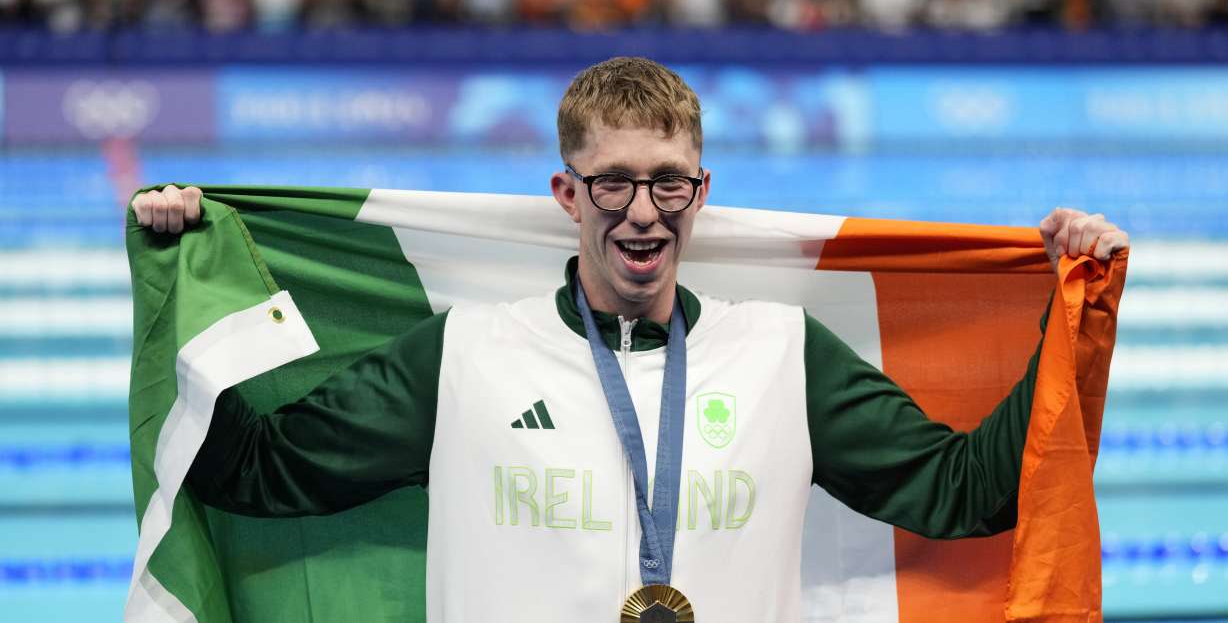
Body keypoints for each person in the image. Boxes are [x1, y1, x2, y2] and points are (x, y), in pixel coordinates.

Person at [131, 57, 1129, 622]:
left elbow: (968, 492)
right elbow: (255, 474)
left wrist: (1070, 315)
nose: (641, 211)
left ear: (701, 193)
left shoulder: (784, 353)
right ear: (568, 194)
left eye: (666, 181)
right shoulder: (465, 352)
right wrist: (183, 277)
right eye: (612, 180)